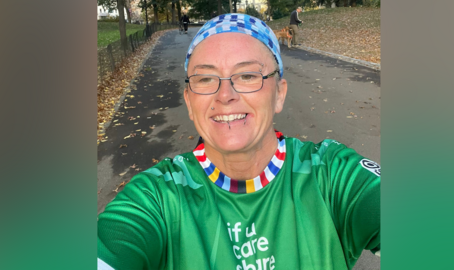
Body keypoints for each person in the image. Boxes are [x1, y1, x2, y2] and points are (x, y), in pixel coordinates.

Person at [97, 13, 380, 270]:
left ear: (279, 94)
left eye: (247, 75)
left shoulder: (331, 176)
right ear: (189, 102)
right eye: (206, 79)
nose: (225, 95)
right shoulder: (156, 198)